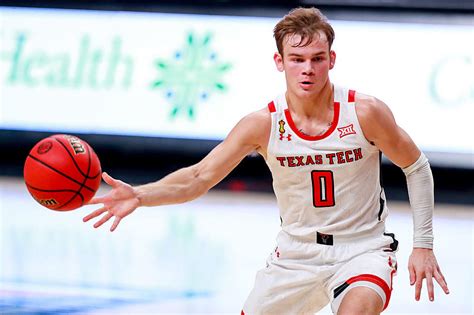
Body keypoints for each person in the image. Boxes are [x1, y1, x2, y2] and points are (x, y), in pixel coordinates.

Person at [83, 7, 449, 314]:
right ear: (280, 61)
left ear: (331, 60)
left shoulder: (365, 112)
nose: (308, 69)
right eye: (297, 59)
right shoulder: (262, 124)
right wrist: (141, 195)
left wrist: (424, 244)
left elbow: (416, 166)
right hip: (296, 253)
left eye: (317, 59)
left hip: (363, 247)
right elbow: (199, 177)